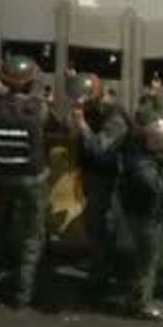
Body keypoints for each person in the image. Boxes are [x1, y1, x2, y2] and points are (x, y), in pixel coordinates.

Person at [0, 55, 63, 309]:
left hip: (5, 176)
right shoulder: (38, 108)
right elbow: (60, 128)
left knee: (3, 225)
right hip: (33, 179)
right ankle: (23, 294)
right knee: (32, 235)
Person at [66, 72, 131, 301]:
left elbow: (100, 148)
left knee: (103, 226)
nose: (79, 106)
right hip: (93, 176)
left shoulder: (115, 116)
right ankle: (98, 263)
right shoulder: (93, 109)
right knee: (93, 225)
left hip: (109, 179)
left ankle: (100, 278)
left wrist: (81, 124)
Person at [121, 115, 163, 321]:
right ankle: (139, 304)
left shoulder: (145, 153)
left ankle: (148, 288)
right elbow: (157, 186)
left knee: (155, 256)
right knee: (148, 259)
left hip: (155, 214)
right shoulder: (140, 163)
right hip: (145, 217)